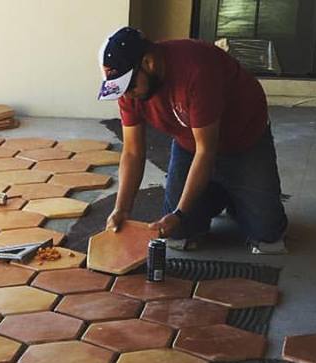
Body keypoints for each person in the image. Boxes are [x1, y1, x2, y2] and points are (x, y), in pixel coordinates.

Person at [99, 27, 288, 254]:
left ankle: (233, 195)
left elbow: (206, 151)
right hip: (189, 142)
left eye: (128, 86)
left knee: (267, 235)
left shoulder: (197, 70)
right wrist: (121, 209)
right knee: (178, 233)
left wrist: (179, 213)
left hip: (243, 141)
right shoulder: (129, 91)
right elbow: (132, 152)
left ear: (149, 63)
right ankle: (219, 193)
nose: (126, 95)